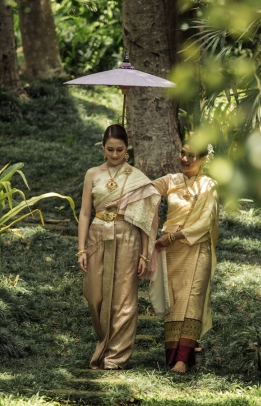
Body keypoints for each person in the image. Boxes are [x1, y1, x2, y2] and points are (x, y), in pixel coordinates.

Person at [77, 124, 160, 370]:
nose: (115, 155)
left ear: (127, 150)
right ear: (103, 149)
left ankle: (115, 356)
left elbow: (145, 218)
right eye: (110, 150)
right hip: (97, 234)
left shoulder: (136, 177)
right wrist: (81, 249)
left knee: (124, 296)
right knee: (94, 295)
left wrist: (145, 254)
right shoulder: (92, 174)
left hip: (128, 236)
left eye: (120, 150)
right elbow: (84, 213)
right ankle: (104, 341)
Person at [152, 140, 218, 373]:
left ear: (203, 160)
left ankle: (182, 359)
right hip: (170, 252)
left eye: (192, 155)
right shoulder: (171, 180)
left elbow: (205, 222)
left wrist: (171, 237)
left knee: (192, 301)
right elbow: (144, 189)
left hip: (195, 248)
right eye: (182, 153)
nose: (185, 159)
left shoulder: (208, 185)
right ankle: (176, 356)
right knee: (175, 302)